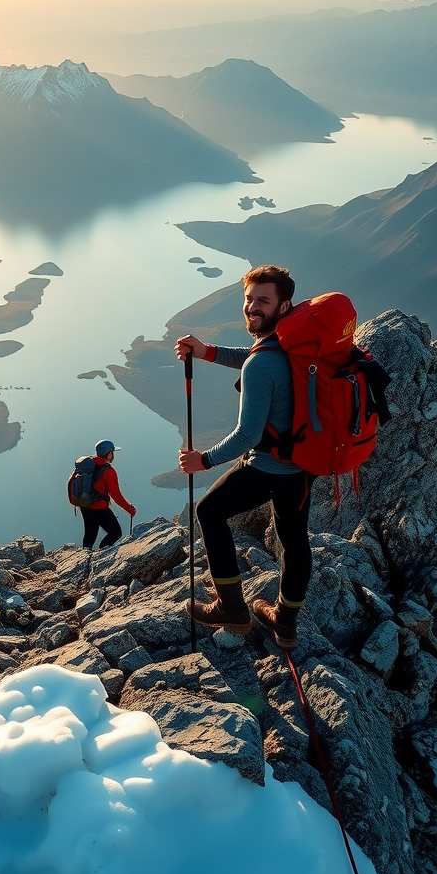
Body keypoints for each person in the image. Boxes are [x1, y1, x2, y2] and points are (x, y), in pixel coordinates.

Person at [175, 264, 313, 650]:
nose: (252, 306)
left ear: (283, 305)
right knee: (293, 539)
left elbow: (247, 435)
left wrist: (203, 460)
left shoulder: (263, 361)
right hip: (304, 462)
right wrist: (207, 352)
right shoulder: (292, 340)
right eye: (249, 298)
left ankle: (231, 608)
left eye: (262, 300)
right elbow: (256, 356)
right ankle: (285, 625)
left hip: (270, 467)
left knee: (209, 510)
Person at [80, 440, 136, 549]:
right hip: (99, 508)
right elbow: (116, 496)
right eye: (113, 452)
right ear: (109, 453)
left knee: (90, 533)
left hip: (84, 504)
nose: (113, 455)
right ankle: (102, 554)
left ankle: (84, 556)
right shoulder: (108, 471)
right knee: (115, 532)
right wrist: (130, 509)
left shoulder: (88, 465)